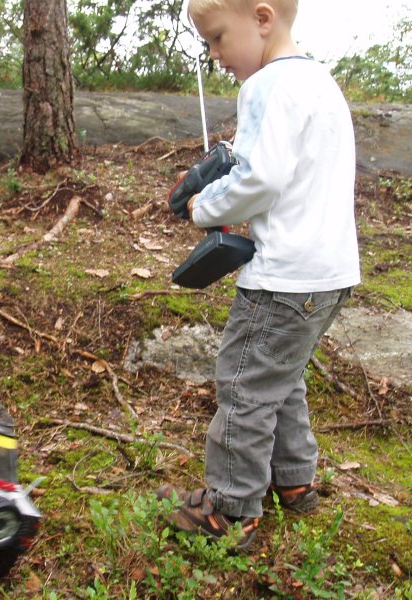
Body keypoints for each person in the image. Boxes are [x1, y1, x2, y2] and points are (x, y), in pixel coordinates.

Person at [156, 0, 361, 550]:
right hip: (330, 274)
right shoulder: (321, 83)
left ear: (262, 19)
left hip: (282, 277)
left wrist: (203, 206)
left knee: (244, 383)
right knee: (280, 376)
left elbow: (260, 179)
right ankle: (293, 480)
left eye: (218, 38)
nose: (214, 54)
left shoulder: (266, 86)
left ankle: (231, 508)